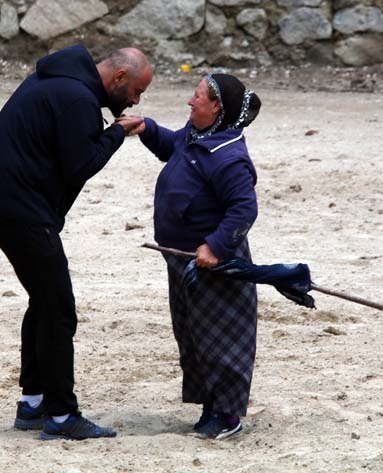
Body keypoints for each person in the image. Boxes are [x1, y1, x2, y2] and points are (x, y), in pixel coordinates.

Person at [0, 44, 152, 441]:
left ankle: (33, 403)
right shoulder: (77, 97)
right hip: (19, 211)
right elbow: (80, 165)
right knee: (58, 308)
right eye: (137, 91)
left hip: (2, 203)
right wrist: (117, 133)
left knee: (44, 300)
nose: (136, 100)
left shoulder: (58, 81)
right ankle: (60, 415)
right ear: (119, 79)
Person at [117, 73, 261, 440]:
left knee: (222, 338)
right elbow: (173, 146)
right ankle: (210, 405)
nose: (189, 101)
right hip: (181, 259)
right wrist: (146, 127)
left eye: (197, 97)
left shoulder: (228, 157)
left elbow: (243, 209)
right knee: (193, 335)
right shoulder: (195, 135)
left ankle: (228, 415)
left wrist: (214, 246)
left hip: (214, 262)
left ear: (217, 108)